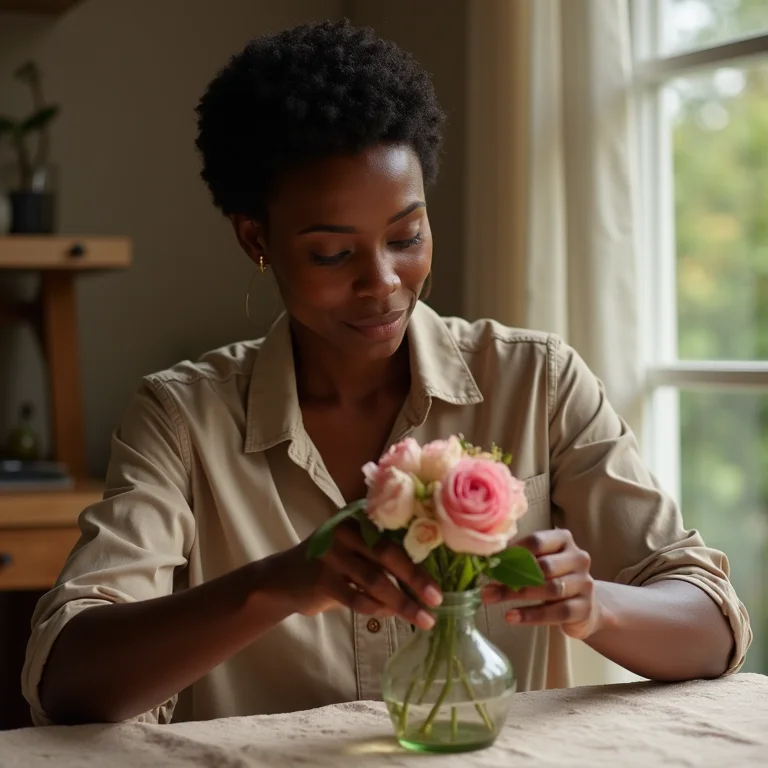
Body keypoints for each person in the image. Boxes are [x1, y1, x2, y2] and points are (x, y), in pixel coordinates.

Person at [23, 20, 750, 727]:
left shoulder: (537, 381)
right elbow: (68, 680)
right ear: (257, 239)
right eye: (333, 254)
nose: (383, 283)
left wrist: (594, 603)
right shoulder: (181, 419)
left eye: (407, 236)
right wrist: (274, 585)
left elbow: (711, 623)